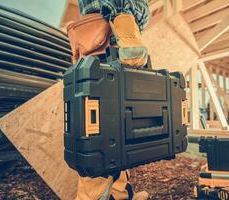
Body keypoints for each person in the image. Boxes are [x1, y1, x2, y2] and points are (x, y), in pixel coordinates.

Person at [66, 0, 150, 199]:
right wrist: (125, 24)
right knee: (99, 136)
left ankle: (118, 194)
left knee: (116, 132)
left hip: (103, 34)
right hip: (112, 33)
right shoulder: (120, 12)